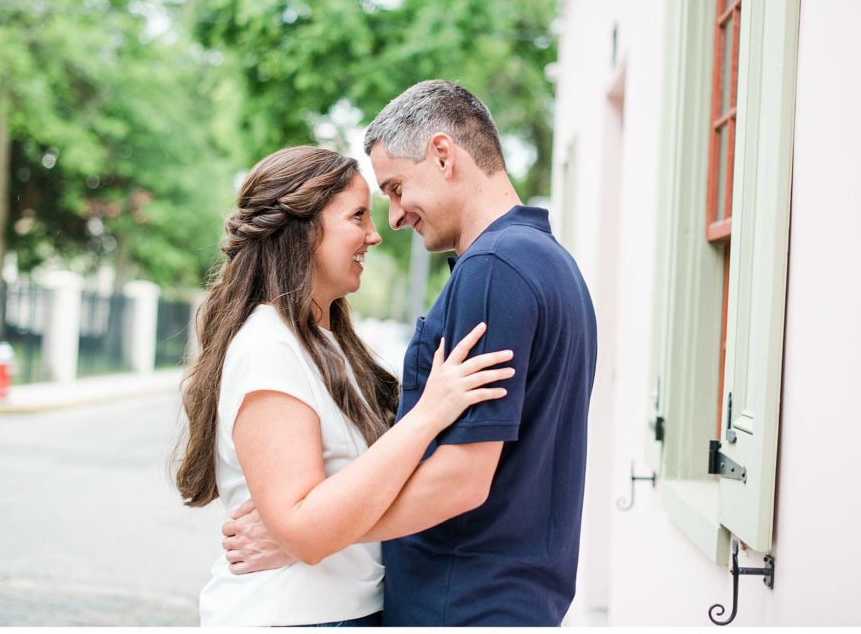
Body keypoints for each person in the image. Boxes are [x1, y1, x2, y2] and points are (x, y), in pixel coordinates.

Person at [220, 80, 598, 626]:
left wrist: (311, 535)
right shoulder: (548, 261)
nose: (393, 218)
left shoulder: (494, 268)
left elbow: (461, 477)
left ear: (443, 155)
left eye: (395, 188)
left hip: (463, 602)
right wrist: (307, 531)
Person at [175, 145, 516, 626]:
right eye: (358, 216)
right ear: (302, 228)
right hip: (292, 617)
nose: (375, 236)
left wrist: (298, 531)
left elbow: (333, 508)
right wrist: (427, 416)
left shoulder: (328, 345)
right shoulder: (268, 347)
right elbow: (304, 527)